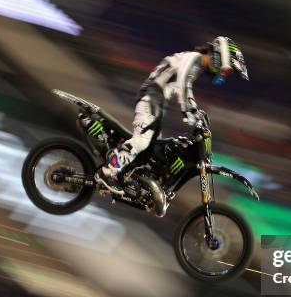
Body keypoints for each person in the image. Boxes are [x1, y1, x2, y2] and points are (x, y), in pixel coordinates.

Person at [94, 36, 249, 193]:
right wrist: (190, 111)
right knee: (142, 141)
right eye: (227, 69)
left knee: (151, 150)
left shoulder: (194, 64)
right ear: (221, 56)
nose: (224, 73)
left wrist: (195, 112)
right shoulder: (192, 59)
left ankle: (127, 177)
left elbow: (183, 87)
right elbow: (183, 85)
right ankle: (106, 172)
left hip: (157, 101)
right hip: (151, 97)